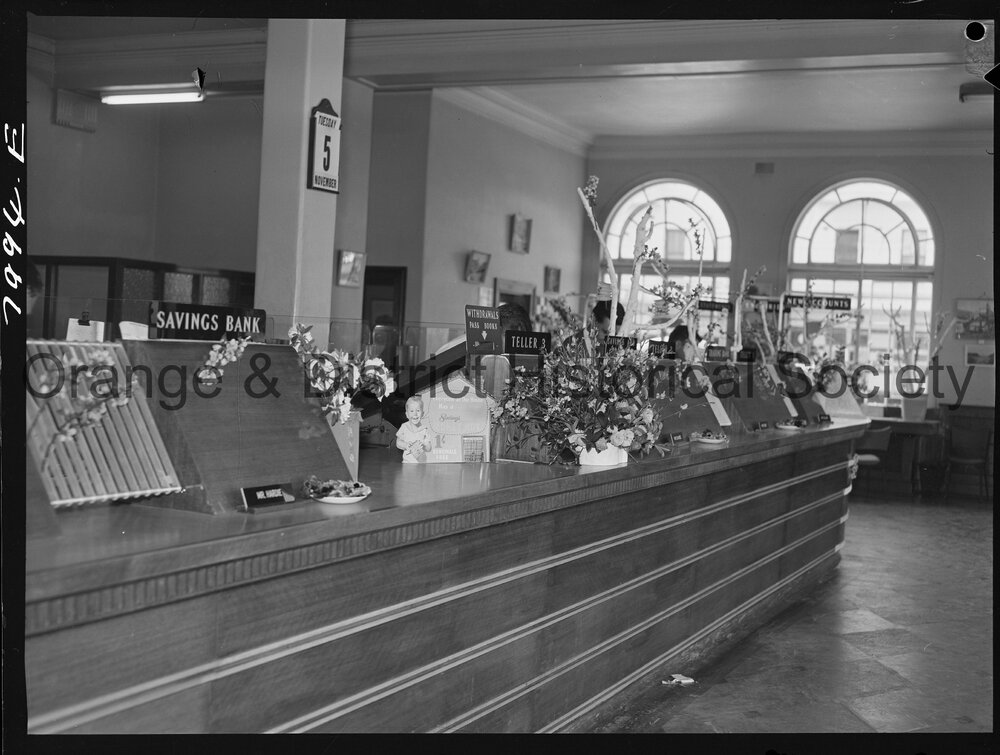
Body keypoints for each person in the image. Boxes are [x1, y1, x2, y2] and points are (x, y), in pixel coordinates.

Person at [395, 395, 434, 462]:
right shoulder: (404, 427)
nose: (415, 414)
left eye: (418, 410)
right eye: (412, 411)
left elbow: (429, 448)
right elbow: (398, 443)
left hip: (421, 463)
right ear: (407, 414)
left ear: (422, 414)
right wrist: (405, 445)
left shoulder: (424, 429)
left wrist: (424, 446)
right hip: (407, 463)